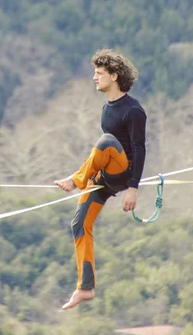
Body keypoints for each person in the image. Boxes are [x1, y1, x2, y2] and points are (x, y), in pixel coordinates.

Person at [54, 49, 147, 310]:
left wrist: (133, 189)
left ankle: (76, 179)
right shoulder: (107, 108)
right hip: (104, 176)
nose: (94, 78)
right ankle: (85, 287)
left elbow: (139, 150)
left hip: (124, 173)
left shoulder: (133, 111)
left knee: (105, 141)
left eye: (99, 74)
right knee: (79, 224)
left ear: (114, 76)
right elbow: (102, 154)